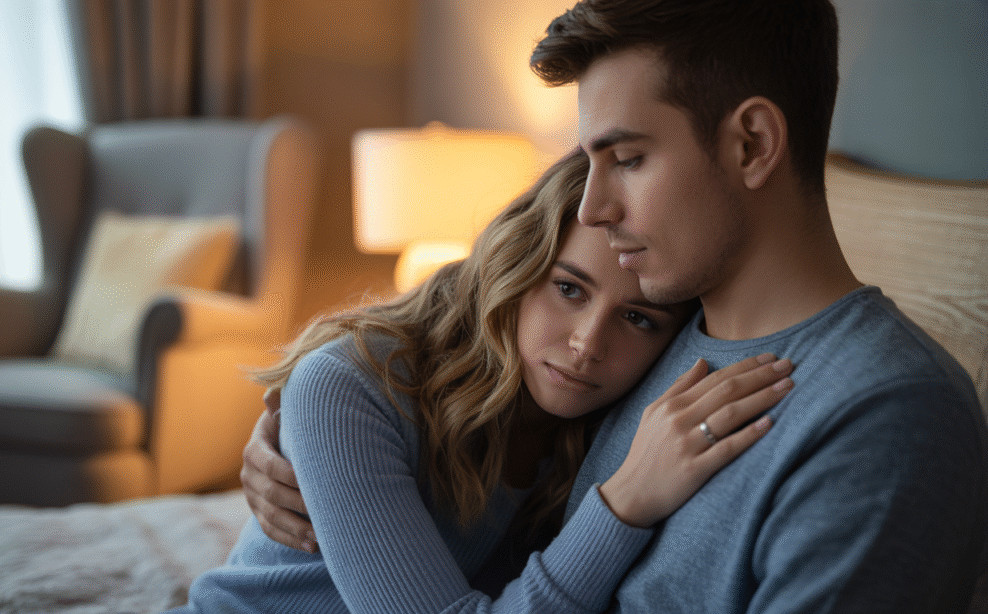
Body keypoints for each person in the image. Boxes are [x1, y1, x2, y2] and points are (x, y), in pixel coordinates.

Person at [244, 0, 988, 611]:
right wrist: (299, 431)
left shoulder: (888, 415)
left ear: (753, 144)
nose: (593, 207)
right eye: (593, 161)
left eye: (629, 159)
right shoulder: (660, 346)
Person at [170, 151, 794, 613]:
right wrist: (625, 503)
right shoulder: (352, 383)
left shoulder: (616, 419)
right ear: (517, 267)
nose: (587, 344)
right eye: (568, 288)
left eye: (638, 319)